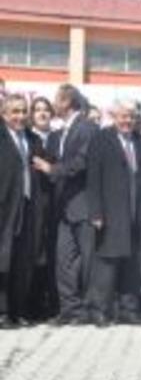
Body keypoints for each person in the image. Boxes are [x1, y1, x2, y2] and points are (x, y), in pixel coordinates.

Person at [84, 98, 141, 326]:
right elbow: (93, 178)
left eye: (132, 116)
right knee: (107, 262)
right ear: (114, 116)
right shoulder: (101, 139)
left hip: (138, 212)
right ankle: (99, 310)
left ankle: (128, 309)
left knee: (133, 262)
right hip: (111, 212)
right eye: (124, 116)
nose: (128, 121)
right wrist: (95, 212)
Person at [32, 84, 98, 326]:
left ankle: (91, 308)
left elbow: (81, 162)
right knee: (64, 260)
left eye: (56, 99)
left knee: (89, 260)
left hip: (84, 205)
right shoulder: (63, 131)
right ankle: (70, 309)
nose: (53, 103)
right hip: (64, 209)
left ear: (67, 102)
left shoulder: (88, 128)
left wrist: (52, 169)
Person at [0, 94, 42, 327]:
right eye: (15, 111)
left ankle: (18, 310)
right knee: (2, 260)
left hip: (27, 207)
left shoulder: (32, 139)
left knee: (21, 260)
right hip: (4, 209)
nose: (20, 116)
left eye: (23, 111)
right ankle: (2, 312)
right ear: (4, 114)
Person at [28, 97, 59, 320]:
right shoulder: (28, 138)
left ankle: (52, 304)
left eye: (46, 110)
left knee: (54, 255)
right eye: (37, 110)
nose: (42, 113)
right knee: (35, 254)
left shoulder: (58, 138)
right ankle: (33, 304)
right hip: (34, 205)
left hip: (57, 205)